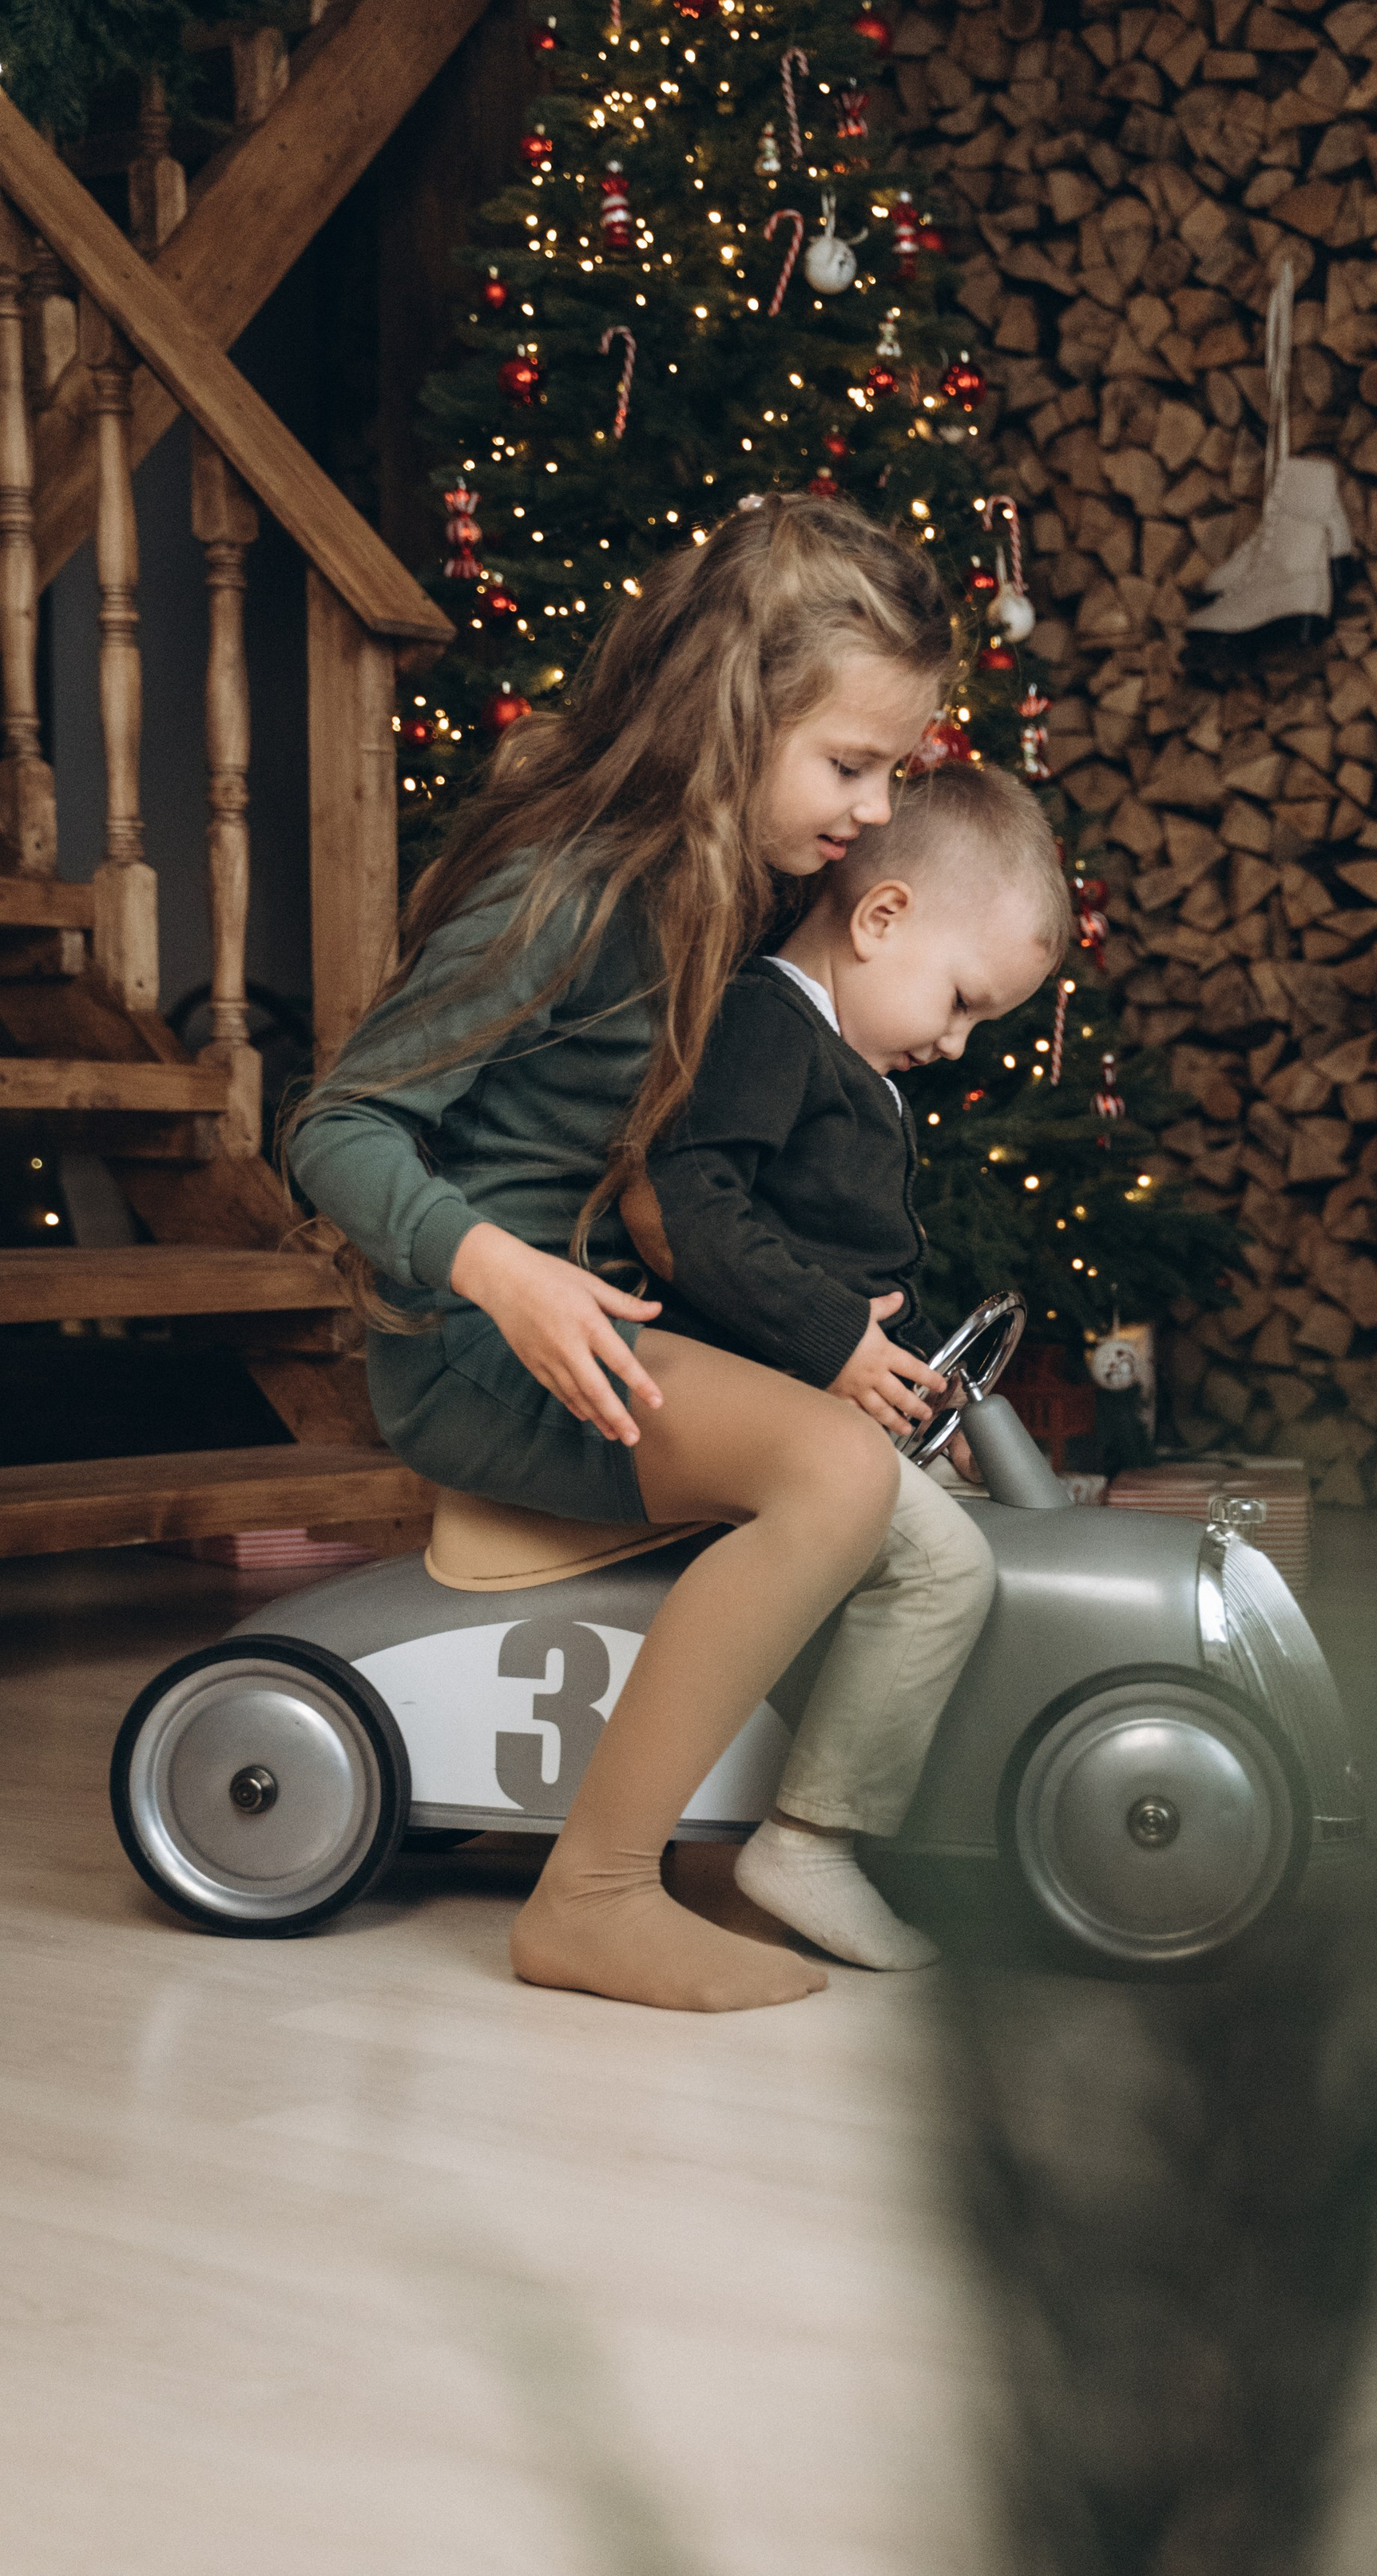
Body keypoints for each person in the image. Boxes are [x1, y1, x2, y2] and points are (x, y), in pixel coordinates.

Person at [289, 495, 962, 2017]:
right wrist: (501, 1270)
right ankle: (591, 1898)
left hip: (598, 1319)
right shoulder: (568, 888)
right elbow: (338, 1128)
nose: (875, 809)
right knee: (833, 1476)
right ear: (737, 715)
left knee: (871, 1453)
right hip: (481, 1344)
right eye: (849, 764)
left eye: (895, 771)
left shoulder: (735, 888)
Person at [619, 762, 1070, 1966]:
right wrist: (835, 1344)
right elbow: (687, 1207)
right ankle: (810, 1841)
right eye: (961, 1001)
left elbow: (839, 1274)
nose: (957, 1042)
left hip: (799, 1397)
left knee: (980, 1526)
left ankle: (927, 1797)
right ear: (881, 918)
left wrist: (907, 1382)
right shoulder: (769, 1027)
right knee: (943, 1570)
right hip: (728, 1401)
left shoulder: (845, 1061)